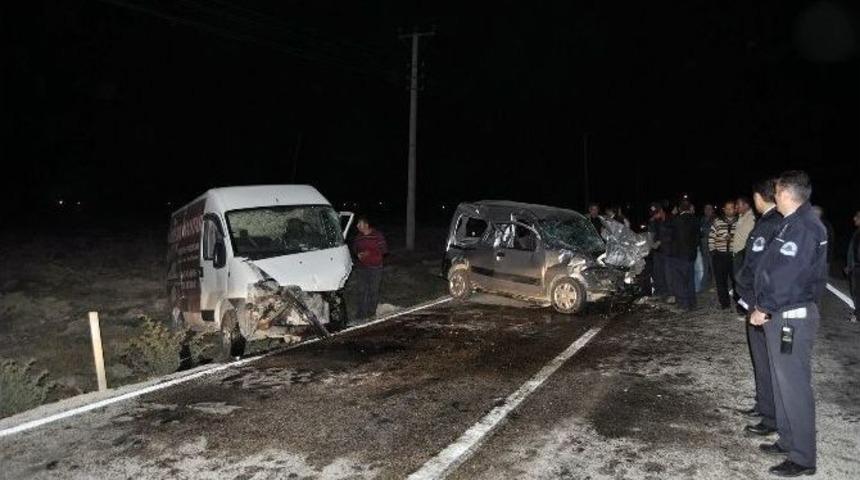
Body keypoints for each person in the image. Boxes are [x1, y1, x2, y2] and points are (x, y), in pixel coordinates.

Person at [750, 170, 827, 477]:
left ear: (785, 193)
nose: (774, 195)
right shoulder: (793, 224)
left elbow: (788, 275)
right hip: (783, 314)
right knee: (784, 383)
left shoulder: (804, 227)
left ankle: (803, 457)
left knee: (794, 386)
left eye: (777, 191)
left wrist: (764, 308)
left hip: (791, 316)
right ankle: (787, 438)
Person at [734, 179, 782, 438]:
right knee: (760, 360)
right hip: (755, 299)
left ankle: (771, 417)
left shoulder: (773, 223)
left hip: (762, 303)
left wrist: (751, 296)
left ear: (758, 197)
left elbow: (760, 266)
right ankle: (764, 406)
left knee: (766, 362)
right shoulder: (769, 221)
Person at [351, 216, 388, 322]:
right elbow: (355, 249)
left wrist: (370, 252)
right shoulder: (358, 237)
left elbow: (384, 250)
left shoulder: (377, 236)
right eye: (357, 224)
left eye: (360, 224)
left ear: (366, 225)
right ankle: (361, 314)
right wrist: (358, 254)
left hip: (375, 268)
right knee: (362, 290)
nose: (357, 226)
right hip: (362, 267)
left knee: (373, 290)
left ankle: (371, 313)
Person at [665, 198, 699, 311]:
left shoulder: (676, 219)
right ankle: (692, 303)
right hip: (691, 255)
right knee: (690, 279)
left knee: (679, 280)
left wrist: (672, 214)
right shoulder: (695, 220)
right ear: (689, 208)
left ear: (679, 209)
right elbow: (698, 238)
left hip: (679, 255)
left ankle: (683, 304)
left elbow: (666, 227)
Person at [709, 200, 737, 309]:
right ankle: (724, 303)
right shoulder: (717, 222)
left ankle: (739, 302)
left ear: (735, 209)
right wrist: (713, 252)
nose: (730, 210)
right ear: (724, 210)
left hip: (734, 255)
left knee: (736, 280)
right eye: (727, 208)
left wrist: (732, 238)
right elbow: (711, 238)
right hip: (720, 255)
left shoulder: (739, 222)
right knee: (721, 281)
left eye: (732, 208)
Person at [697, 203, 716, 292]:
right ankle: (704, 286)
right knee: (705, 267)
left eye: (709, 209)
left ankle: (715, 285)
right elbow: (699, 232)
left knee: (714, 268)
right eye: (706, 209)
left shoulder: (715, 219)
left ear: (712, 210)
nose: (707, 210)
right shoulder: (702, 219)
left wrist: (704, 231)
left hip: (713, 248)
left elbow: (712, 233)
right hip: (703, 247)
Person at [811, 205, 836, 272]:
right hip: (817, 259)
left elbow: (829, 243)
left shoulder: (824, 226)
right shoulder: (811, 224)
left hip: (821, 259)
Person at [846, 210, 860, 323]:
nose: (854, 219)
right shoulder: (857, 232)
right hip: (855, 266)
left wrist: (854, 265)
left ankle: (858, 315)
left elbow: (857, 252)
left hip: (857, 268)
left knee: (857, 292)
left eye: (856, 217)